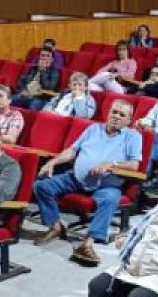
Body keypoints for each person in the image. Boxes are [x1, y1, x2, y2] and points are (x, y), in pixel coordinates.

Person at [32, 99, 143, 265]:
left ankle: (88, 244)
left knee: (110, 198)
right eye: (114, 112)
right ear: (108, 113)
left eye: (122, 115)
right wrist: (52, 162)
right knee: (41, 186)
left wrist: (112, 165)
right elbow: (72, 151)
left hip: (106, 185)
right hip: (76, 179)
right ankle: (56, 227)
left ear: (129, 120)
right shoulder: (93, 129)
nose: (116, 117)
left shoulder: (133, 136)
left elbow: (134, 164)